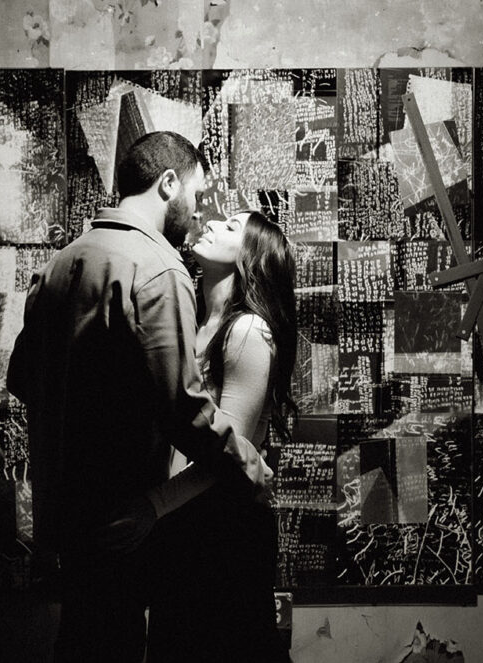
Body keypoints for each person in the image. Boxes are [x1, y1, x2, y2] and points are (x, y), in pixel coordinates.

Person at [6, 131, 271, 663]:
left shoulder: (59, 264)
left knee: (82, 644)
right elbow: (183, 410)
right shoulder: (158, 269)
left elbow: (20, 378)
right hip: (123, 515)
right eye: (196, 197)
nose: (198, 213)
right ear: (168, 183)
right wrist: (248, 462)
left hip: (67, 516)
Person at [142, 209, 297, 663]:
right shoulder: (192, 324)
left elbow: (227, 460)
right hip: (187, 521)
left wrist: (151, 508)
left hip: (225, 531)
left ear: (249, 256)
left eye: (231, 227)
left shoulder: (248, 330)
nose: (210, 224)